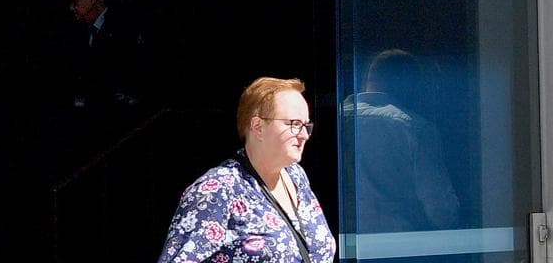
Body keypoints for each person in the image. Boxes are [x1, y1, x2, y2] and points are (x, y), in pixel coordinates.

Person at [157, 77, 336, 263]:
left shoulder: (296, 176)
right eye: (294, 124)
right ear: (258, 127)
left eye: (306, 125)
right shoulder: (217, 189)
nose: (305, 135)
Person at [342, 49, 458, 232]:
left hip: (341, 238)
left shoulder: (337, 120)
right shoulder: (415, 128)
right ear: (408, 83)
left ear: (367, 79)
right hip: (401, 243)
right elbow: (440, 209)